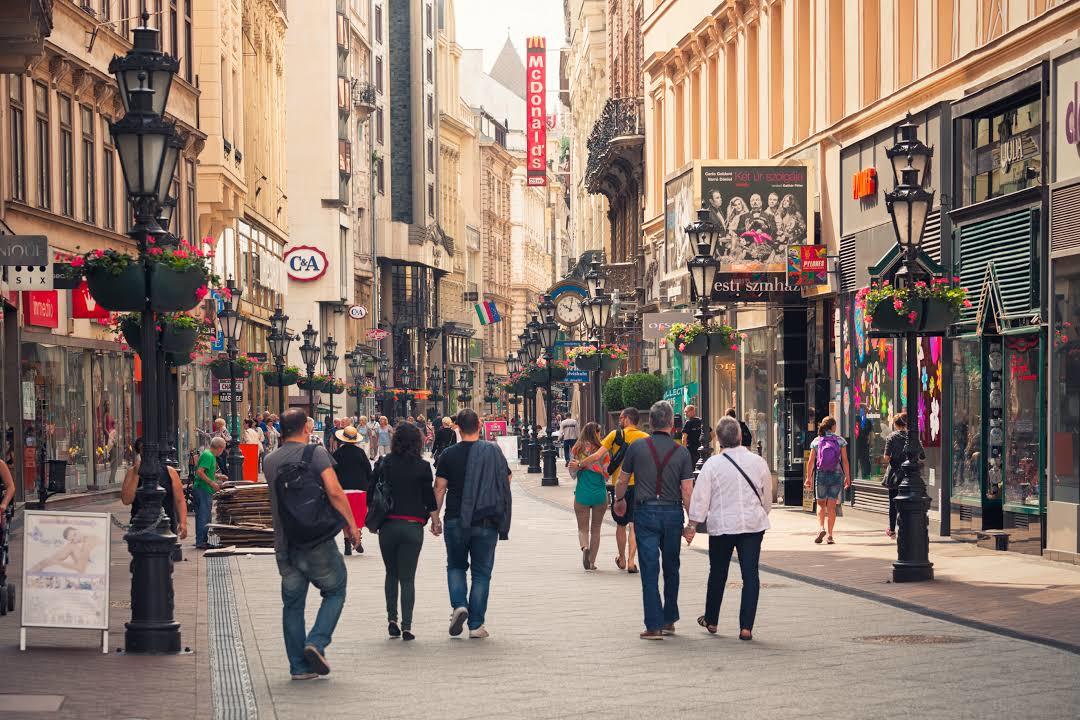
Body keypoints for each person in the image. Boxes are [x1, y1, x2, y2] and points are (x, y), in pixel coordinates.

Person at [264, 409, 360, 680]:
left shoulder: (269, 461)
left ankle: (298, 667)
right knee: (335, 590)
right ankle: (316, 642)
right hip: (316, 541)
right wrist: (351, 525)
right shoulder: (316, 454)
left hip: (285, 542)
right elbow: (335, 491)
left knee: (292, 605)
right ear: (306, 429)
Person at [612, 401, 695, 639]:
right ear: (671, 424)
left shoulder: (637, 447)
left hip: (645, 512)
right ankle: (669, 619)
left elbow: (622, 480)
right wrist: (691, 524)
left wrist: (619, 500)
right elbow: (687, 491)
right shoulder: (681, 452)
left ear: (650, 423)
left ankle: (654, 625)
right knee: (671, 567)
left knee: (649, 569)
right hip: (672, 514)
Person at [686, 417, 772, 641]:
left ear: (718, 440)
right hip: (752, 525)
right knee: (750, 574)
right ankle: (746, 627)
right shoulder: (758, 462)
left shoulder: (712, 465)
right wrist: (761, 513)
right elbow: (767, 498)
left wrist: (692, 524)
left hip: (722, 526)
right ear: (740, 436)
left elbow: (701, 498)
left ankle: (712, 620)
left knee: (718, 572)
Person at [433, 409, 512, 639]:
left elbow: (440, 488)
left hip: (456, 518)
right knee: (481, 573)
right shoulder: (493, 451)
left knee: (456, 566)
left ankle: (459, 605)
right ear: (479, 425)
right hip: (485, 519)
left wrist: (435, 518)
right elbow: (506, 478)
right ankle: (476, 625)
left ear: (457, 427)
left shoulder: (448, 454)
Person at [375, 422, 439, 641]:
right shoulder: (423, 467)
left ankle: (391, 619)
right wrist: (435, 521)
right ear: (418, 442)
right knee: (408, 578)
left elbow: (371, 491)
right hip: (412, 526)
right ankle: (407, 626)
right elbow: (429, 499)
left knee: (391, 573)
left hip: (388, 525)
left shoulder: (384, 463)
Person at [571, 407, 649, 573]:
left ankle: (618, 557)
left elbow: (596, 457)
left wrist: (580, 464)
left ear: (627, 418)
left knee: (620, 524)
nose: (619, 420)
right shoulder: (645, 437)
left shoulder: (614, 435)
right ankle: (630, 561)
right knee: (633, 525)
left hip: (618, 487)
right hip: (639, 486)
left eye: (621, 418)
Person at [121, 438, 188, 540]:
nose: (147, 453)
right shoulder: (132, 472)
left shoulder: (170, 472)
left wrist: (183, 522)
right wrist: (136, 473)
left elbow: (180, 500)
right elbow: (126, 500)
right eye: (143, 449)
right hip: (140, 526)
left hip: (166, 525)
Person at [805, 416, 851, 544]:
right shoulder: (840, 441)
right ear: (833, 426)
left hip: (821, 474)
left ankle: (821, 528)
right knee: (832, 506)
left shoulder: (817, 441)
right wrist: (848, 477)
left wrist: (808, 478)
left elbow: (811, 462)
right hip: (836, 475)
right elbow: (845, 461)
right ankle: (830, 536)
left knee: (820, 504)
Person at [569, 422, 608, 571]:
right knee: (596, 529)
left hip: (582, 493)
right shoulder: (603, 450)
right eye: (599, 432)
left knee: (582, 528)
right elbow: (607, 474)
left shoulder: (577, 449)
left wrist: (580, 467)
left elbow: (572, 473)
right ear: (596, 433)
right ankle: (591, 562)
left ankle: (585, 547)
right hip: (599, 494)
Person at [332, 425, 373, 555]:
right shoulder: (360, 453)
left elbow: (333, 471)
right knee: (358, 515)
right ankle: (357, 537)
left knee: (345, 516)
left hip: (343, 489)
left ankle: (346, 542)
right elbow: (368, 470)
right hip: (359, 488)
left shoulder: (337, 453)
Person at [193, 438, 227, 549]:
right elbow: (200, 472)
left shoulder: (208, 455)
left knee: (203, 516)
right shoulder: (208, 456)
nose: (223, 451)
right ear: (219, 448)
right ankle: (201, 542)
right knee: (204, 516)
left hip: (203, 489)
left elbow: (206, 471)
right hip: (203, 489)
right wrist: (212, 483)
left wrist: (218, 476)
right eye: (223, 449)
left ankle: (201, 540)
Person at [882, 413, 908, 539]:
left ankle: (892, 530)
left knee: (893, 503)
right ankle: (906, 528)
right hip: (909, 475)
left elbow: (886, 457)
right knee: (907, 502)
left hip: (895, 474)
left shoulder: (891, 437)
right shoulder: (911, 437)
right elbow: (921, 456)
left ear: (896, 424)